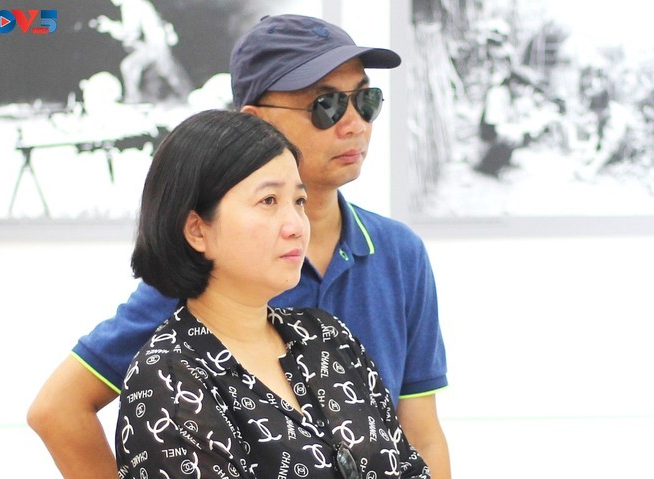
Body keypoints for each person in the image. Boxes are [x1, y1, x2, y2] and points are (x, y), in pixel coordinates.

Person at [28, 14, 451, 479]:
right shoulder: (208, 277)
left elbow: (421, 434)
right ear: (255, 122)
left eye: (366, 101)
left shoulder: (397, 255)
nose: (354, 124)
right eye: (326, 105)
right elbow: (58, 409)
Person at [114, 108, 430, 478]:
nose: (296, 226)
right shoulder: (167, 380)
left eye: (298, 201)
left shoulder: (327, 335)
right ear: (197, 230)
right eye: (268, 201)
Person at [91, 0, 192, 103]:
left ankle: (189, 98)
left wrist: (110, 26)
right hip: (155, 44)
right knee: (134, 68)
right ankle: (134, 99)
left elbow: (129, 33)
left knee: (166, 72)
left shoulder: (130, 5)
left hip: (157, 45)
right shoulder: (135, 3)